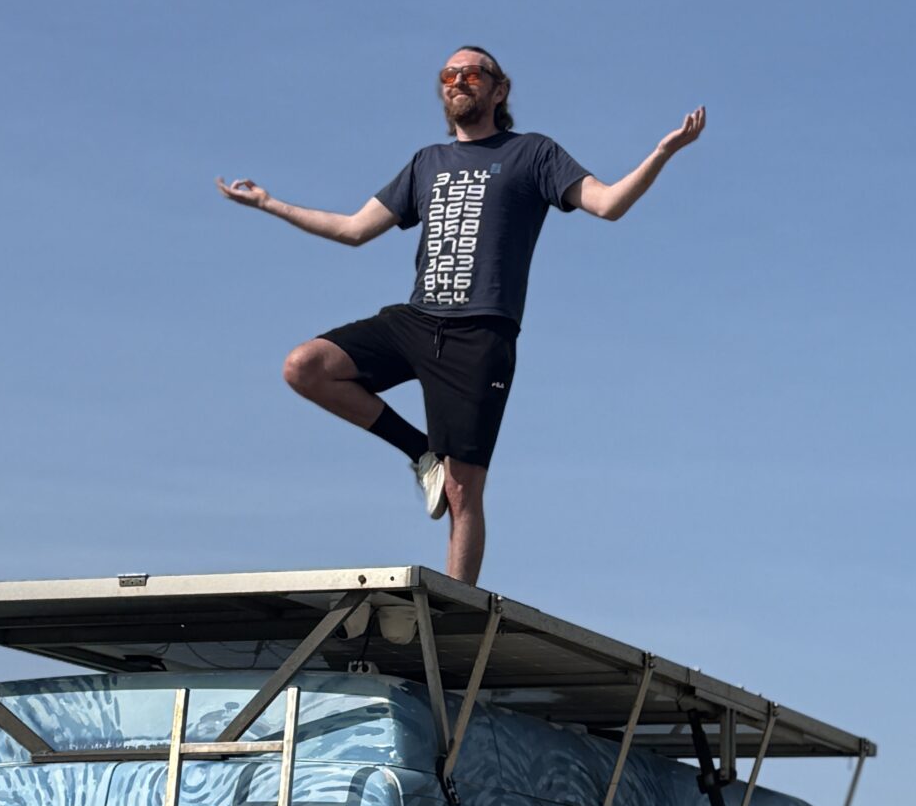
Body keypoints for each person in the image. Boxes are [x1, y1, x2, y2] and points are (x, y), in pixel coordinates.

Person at [219, 45, 705, 583]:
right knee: (305, 366)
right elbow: (353, 229)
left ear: (499, 90)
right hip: (417, 319)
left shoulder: (533, 153)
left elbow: (609, 204)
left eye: (472, 73)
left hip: (481, 333)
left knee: (462, 492)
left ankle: (455, 611)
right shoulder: (426, 162)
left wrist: (662, 153)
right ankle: (420, 451)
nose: (457, 81)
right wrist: (270, 204)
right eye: (449, 74)